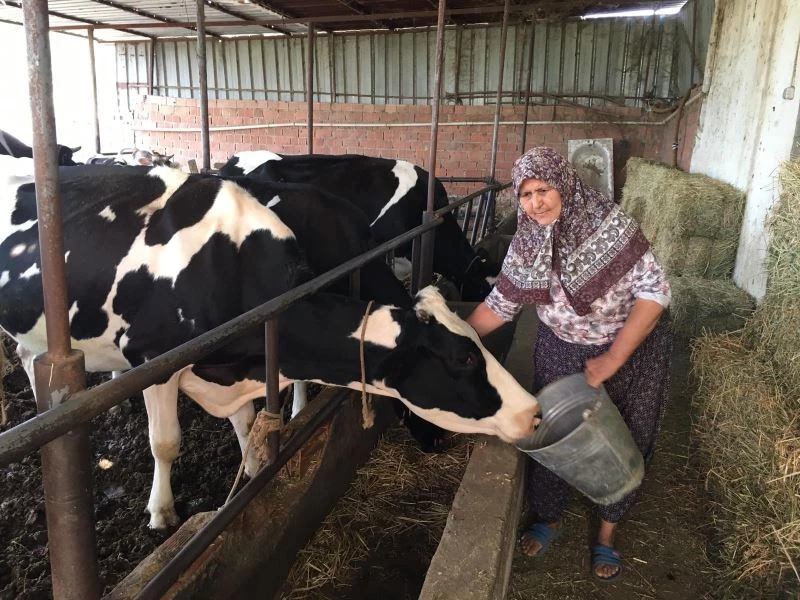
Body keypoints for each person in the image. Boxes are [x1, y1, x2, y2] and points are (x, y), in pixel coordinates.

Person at [466, 147, 672, 582]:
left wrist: (615, 357)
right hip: (561, 346)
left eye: (544, 189)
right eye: (525, 194)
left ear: (567, 186)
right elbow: (501, 304)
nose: (535, 202)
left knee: (626, 436)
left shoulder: (610, 226)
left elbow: (656, 290)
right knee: (552, 433)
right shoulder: (526, 239)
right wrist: (454, 338)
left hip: (629, 350)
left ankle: (608, 533)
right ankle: (550, 516)